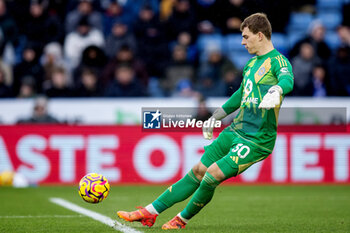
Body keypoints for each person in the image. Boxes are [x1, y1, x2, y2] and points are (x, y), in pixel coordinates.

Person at [117, 13, 294, 229]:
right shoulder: (250, 65)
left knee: (212, 174)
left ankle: (181, 219)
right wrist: (215, 117)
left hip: (257, 140)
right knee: (199, 170)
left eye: (246, 37)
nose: (242, 42)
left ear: (259, 35)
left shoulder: (278, 61)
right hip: (235, 131)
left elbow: (287, 80)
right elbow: (240, 95)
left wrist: (277, 89)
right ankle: (149, 212)